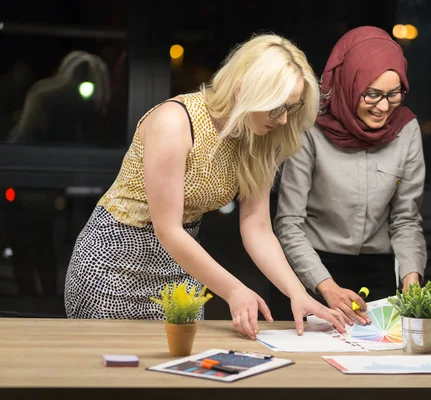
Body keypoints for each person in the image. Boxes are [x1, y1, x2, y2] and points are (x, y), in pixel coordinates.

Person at [64, 33, 346, 339]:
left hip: (180, 263)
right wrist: (234, 290)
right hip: (113, 262)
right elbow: (167, 228)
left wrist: (297, 293)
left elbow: (257, 227)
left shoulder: (261, 138)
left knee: (177, 370)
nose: (283, 121)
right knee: (110, 376)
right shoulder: (175, 122)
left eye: (291, 109)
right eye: (277, 107)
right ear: (243, 91)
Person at [274, 26, 427, 327]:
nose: (384, 107)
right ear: (348, 84)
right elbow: (289, 222)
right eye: (371, 94)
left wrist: (411, 278)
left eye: (394, 94)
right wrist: (325, 286)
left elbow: (406, 219)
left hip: (378, 273)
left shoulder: (406, 130)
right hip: (313, 271)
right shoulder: (310, 128)